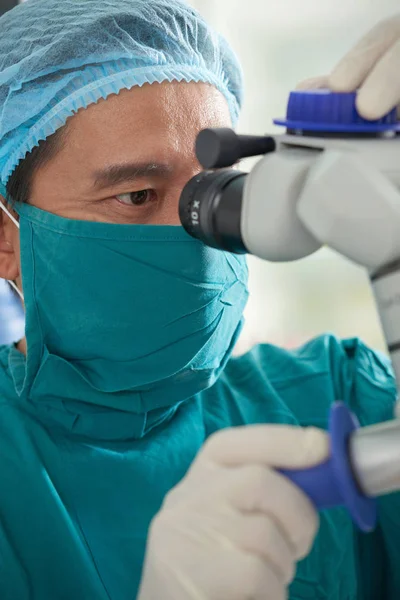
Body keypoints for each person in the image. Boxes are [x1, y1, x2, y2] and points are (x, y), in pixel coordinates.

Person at [0, 2, 398, 598]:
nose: (197, 238)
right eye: (137, 195)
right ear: (7, 240)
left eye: (216, 193)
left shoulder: (336, 394)